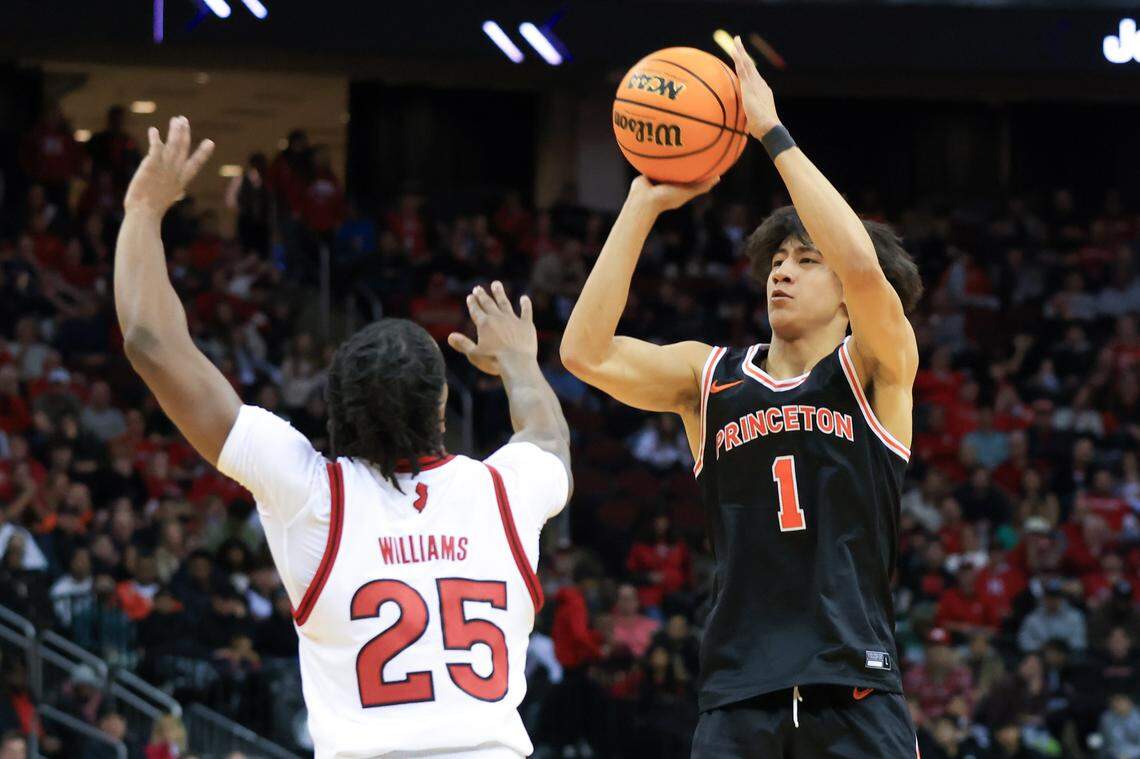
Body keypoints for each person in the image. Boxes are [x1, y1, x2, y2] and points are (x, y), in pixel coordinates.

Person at [114, 117, 572, 757]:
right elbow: (548, 440)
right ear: (442, 405)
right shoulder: (503, 490)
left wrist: (143, 208)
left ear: (335, 404)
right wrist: (520, 363)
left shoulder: (310, 493)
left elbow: (150, 342)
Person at [561, 38, 923, 758]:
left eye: (805, 260)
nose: (782, 272)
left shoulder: (878, 366)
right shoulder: (711, 377)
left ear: (846, 298)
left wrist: (771, 133)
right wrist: (641, 203)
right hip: (738, 692)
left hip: (854, 684)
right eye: (777, 260)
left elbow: (861, 263)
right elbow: (585, 353)